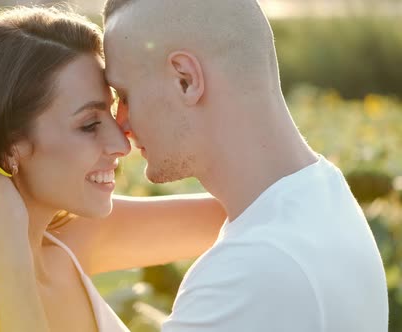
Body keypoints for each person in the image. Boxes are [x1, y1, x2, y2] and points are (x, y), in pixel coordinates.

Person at [0, 6, 226, 332]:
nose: (121, 144)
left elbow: (250, 211)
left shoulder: (69, 241)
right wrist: (8, 261)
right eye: (89, 124)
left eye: (111, 112)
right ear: (9, 148)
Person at [101, 0, 389, 331]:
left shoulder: (257, 267)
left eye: (124, 95)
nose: (120, 124)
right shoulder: (322, 194)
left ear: (185, 80)